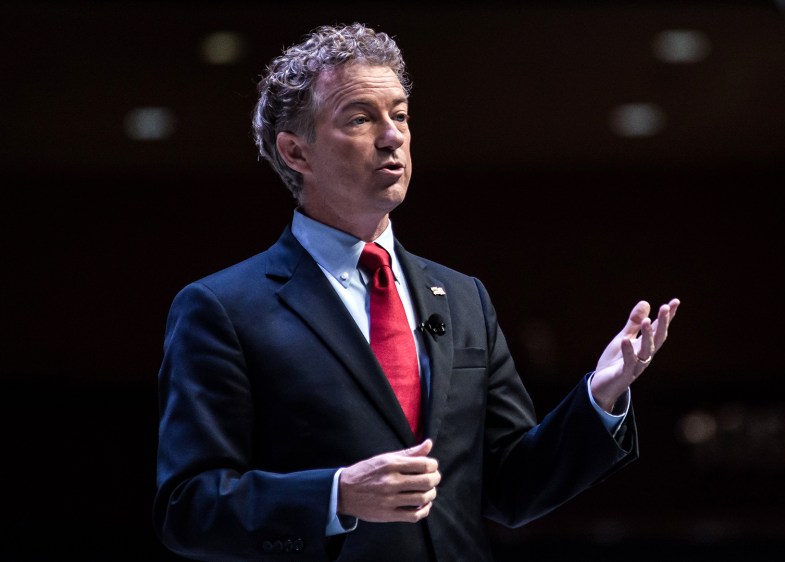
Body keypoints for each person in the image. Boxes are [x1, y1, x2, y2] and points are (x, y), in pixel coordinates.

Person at [153, 22, 681, 562]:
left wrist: (601, 395)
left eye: (400, 115)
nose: (393, 136)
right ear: (296, 152)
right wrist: (337, 496)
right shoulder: (223, 308)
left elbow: (511, 487)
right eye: (360, 118)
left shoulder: (463, 297)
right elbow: (188, 507)